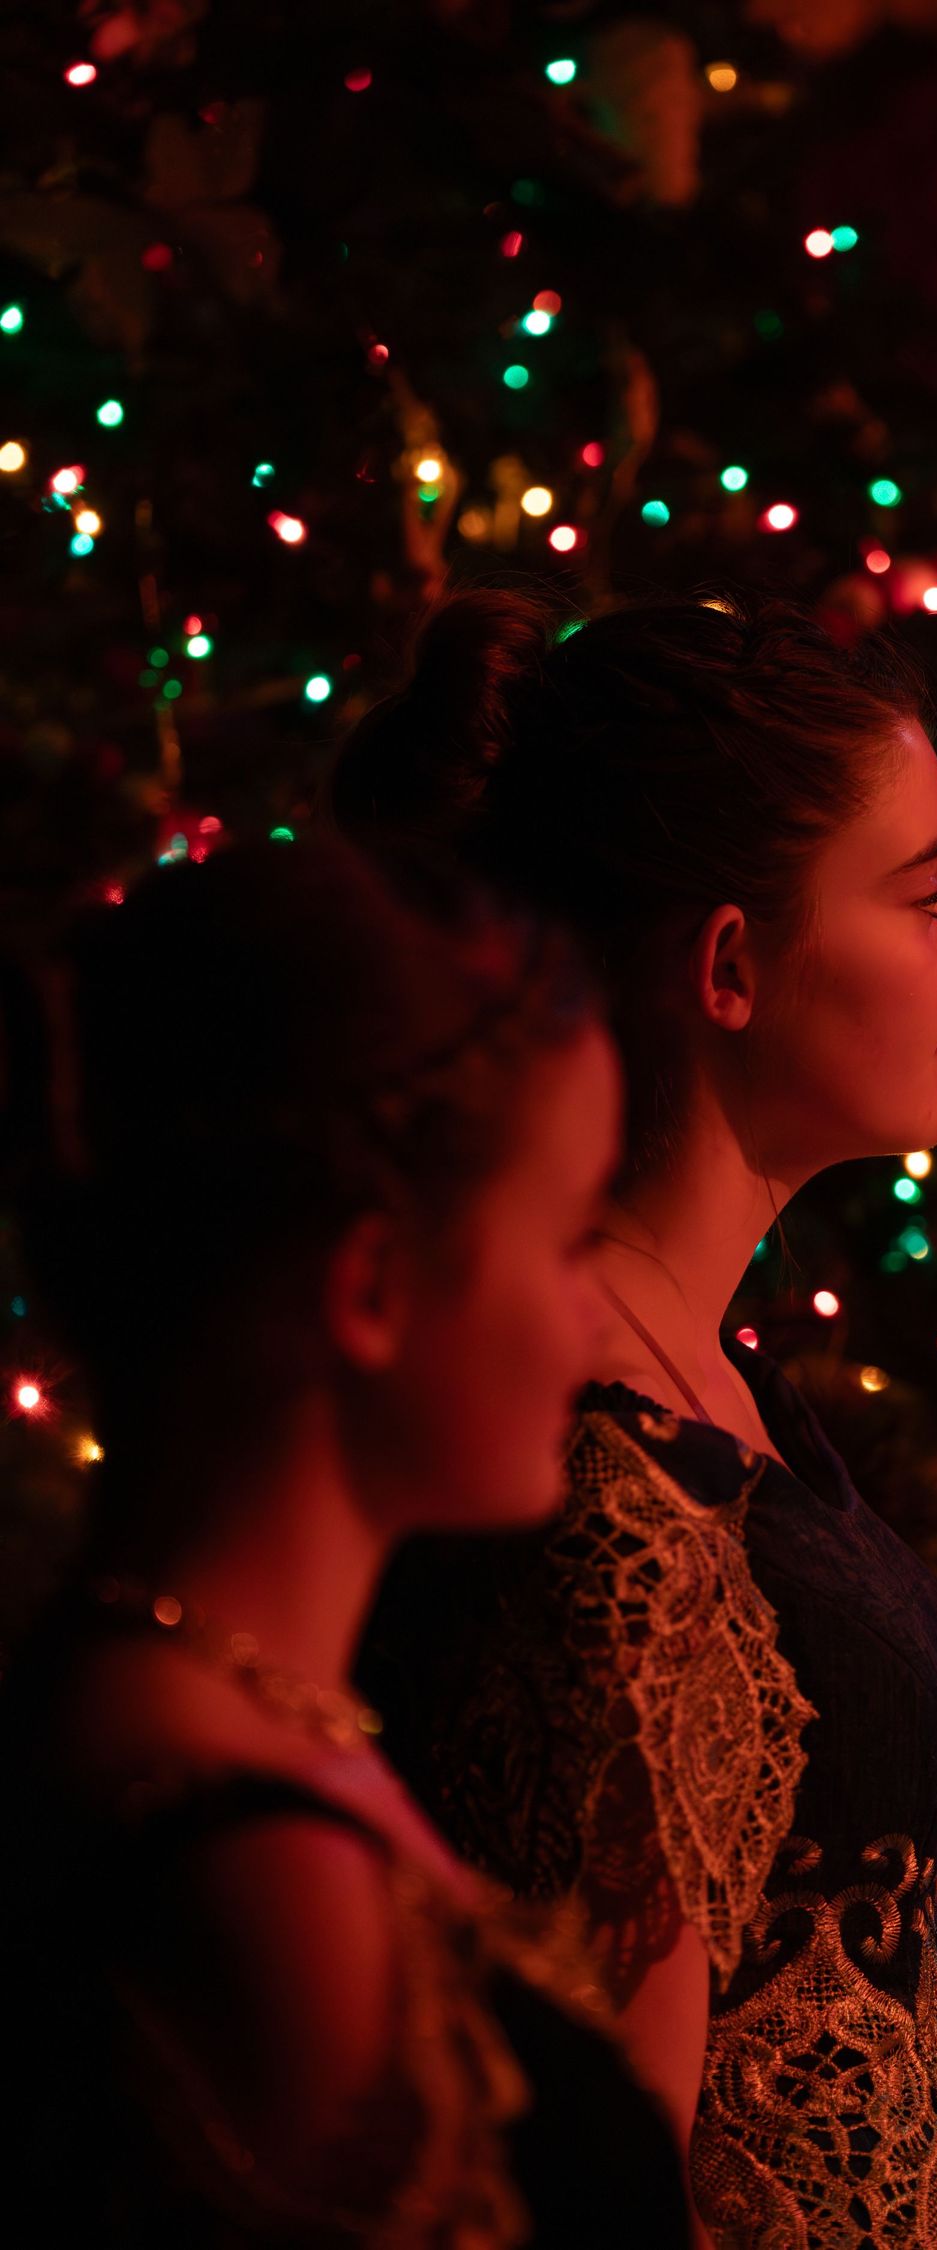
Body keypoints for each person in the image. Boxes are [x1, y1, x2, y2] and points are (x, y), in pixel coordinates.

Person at [340, 589, 937, 2247]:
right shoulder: (611, 1471)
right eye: (924, 895)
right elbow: (615, 2144)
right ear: (733, 965)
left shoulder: (709, 1373)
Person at [0, 837, 691, 2247]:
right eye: (568, 1241)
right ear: (371, 1283)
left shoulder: (251, 1712)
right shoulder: (254, 1871)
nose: (595, 1320)